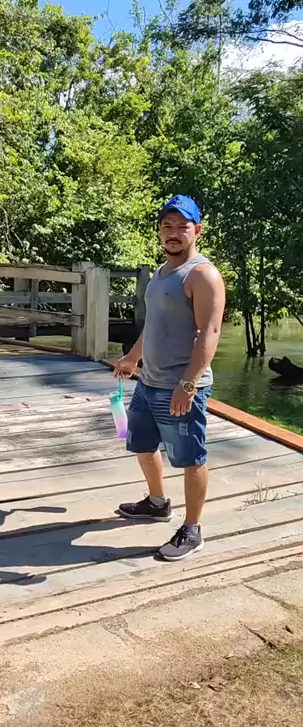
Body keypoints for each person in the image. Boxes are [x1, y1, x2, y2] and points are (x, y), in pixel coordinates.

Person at [114, 195, 225, 561]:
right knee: (142, 446)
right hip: (148, 382)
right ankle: (158, 503)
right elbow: (154, 325)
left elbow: (209, 333)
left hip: (181, 386)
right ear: (160, 231)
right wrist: (132, 358)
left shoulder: (202, 275)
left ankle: (193, 530)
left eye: (182, 226)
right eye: (167, 226)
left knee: (191, 458)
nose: (174, 233)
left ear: (197, 230)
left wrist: (188, 384)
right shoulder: (161, 273)